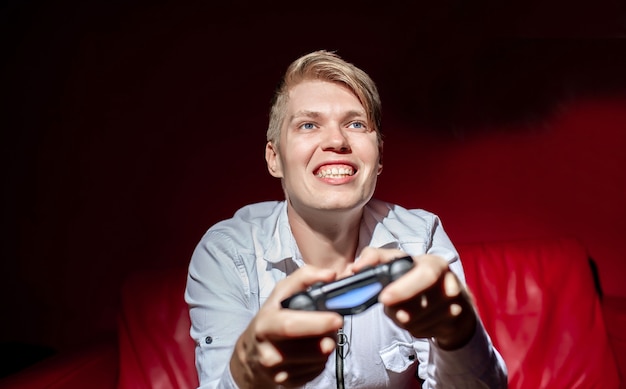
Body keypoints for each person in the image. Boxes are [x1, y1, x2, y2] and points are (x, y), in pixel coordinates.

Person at [185, 50, 508, 388]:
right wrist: (247, 376)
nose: (337, 141)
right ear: (275, 158)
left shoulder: (420, 240)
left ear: (379, 157)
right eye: (308, 124)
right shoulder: (227, 254)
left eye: (355, 124)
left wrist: (459, 336)